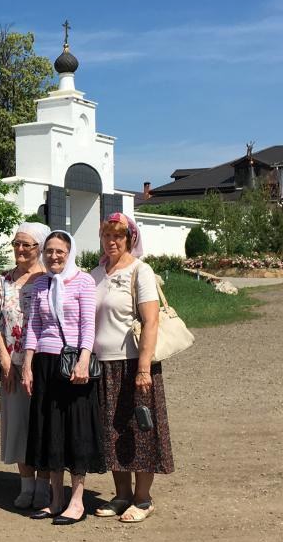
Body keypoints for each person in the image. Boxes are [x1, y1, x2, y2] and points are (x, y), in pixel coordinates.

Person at [90, 212, 173, 524]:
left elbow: (151, 320)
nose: (112, 241)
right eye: (107, 236)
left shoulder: (141, 270)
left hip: (133, 364)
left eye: (118, 236)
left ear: (129, 239)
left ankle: (143, 498)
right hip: (103, 365)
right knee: (112, 432)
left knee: (140, 430)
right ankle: (122, 494)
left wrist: (143, 368)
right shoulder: (97, 273)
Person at [22, 230, 102, 524]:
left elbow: (87, 325)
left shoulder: (83, 281)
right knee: (50, 431)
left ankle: (77, 501)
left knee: (74, 431)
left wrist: (83, 359)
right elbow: (33, 326)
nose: (53, 256)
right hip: (44, 363)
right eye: (49, 251)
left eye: (60, 252)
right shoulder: (41, 282)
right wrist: (27, 365)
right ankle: (56, 499)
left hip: (71, 366)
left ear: (70, 253)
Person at [0, 221, 51, 509]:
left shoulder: (49, 279)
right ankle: (26, 486)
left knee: (43, 424)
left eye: (28, 245)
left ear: (39, 248)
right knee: (17, 424)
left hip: (42, 362)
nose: (21, 250)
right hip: (12, 363)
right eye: (17, 244)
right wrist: (4, 357)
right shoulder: (3, 281)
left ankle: (44, 485)